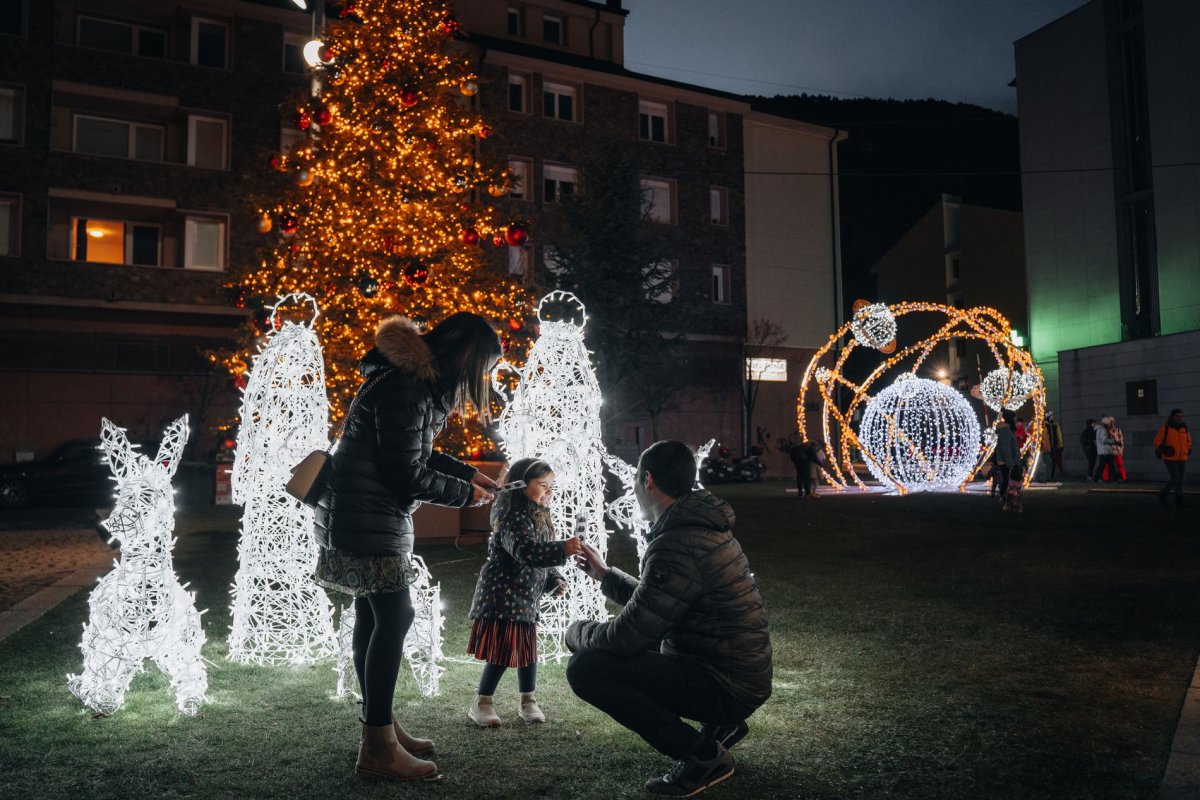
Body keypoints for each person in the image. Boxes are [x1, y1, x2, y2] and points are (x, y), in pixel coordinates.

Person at [313, 313, 503, 782]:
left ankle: (381, 728)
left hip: (360, 513)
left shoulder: (406, 382)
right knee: (395, 616)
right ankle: (378, 747)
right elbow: (406, 473)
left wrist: (468, 474)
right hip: (367, 517)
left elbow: (415, 451)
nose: (481, 382)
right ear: (465, 359)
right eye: (482, 370)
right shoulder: (408, 388)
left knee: (375, 614)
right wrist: (466, 495)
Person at [565, 440, 772, 797]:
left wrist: (578, 632)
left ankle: (703, 757)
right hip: (740, 674)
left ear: (648, 480)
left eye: (636, 479)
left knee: (586, 668)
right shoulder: (699, 528)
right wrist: (605, 576)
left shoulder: (677, 542)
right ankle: (719, 726)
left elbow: (628, 638)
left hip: (725, 684)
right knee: (637, 651)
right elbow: (662, 604)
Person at [466, 458, 582, 727]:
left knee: (528, 653)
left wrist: (554, 578)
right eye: (542, 485)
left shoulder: (537, 514)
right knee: (502, 652)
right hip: (503, 596)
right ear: (520, 486)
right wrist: (562, 548)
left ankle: (528, 700)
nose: (549, 491)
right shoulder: (513, 516)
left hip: (525, 599)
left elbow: (541, 557)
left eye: (550, 485)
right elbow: (526, 551)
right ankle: (482, 702)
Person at [1154, 409, 1193, 508]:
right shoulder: (1165, 427)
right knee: (1175, 479)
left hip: (1182, 457)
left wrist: (1189, 448)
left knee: (1180, 481)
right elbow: (1157, 441)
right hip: (1170, 458)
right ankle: (1163, 493)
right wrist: (1164, 447)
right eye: (1177, 416)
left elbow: (1188, 440)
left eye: (1181, 416)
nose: (1180, 418)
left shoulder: (1184, 427)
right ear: (1172, 416)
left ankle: (1179, 501)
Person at [994, 410, 1021, 510]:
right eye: (1014, 418)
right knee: (1007, 481)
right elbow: (1005, 448)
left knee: (1006, 481)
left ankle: (1006, 500)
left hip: (1006, 460)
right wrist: (1010, 462)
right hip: (1006, 461)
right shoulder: (1005, 430)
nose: (1016, 420)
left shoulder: (1007, 429)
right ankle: (1006, 501)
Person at [1093, 417, 1117, 482]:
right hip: (1105, 451)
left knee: (1107, 465)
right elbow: (1104, 440)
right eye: (1109, 423)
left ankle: (1096, 478)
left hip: (1103, 451)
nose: (1109, 424)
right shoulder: (1103, 430)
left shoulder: (1099, 430)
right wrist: (1113, 441)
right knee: (1109, 465)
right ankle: (1096, 478)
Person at [1105, 416, 1127, 481]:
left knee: (1120, 464)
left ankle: (1123, 478)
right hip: (1109, 450)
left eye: (1112, 422)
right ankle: (1106, 478)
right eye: (1110, 422)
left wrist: (1121, 449)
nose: (1112, 423)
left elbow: (1121, 440)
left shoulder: (1117, 430)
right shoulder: (1105, 431)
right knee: (1107, 465)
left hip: (1117, 450)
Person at [1043, 411, 1064, 480]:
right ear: (1048, 416)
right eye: (1052, 415)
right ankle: (1048, 476)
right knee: (1048, 462)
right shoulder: (1044, 425)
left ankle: (1051, 476)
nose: (1053, 417)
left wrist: (1060, 444)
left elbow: (1059, 435)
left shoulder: (1055, 425)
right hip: (1047, 446)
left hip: (1054, 445)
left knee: (1054, 461)